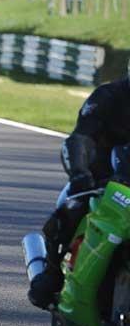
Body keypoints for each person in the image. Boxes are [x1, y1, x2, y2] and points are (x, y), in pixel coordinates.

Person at [28, 65, 130, 309]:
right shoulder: (109, 97)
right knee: (74, 203)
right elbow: (79, 138)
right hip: (103, 178)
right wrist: (81, 174)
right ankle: (52, 273)